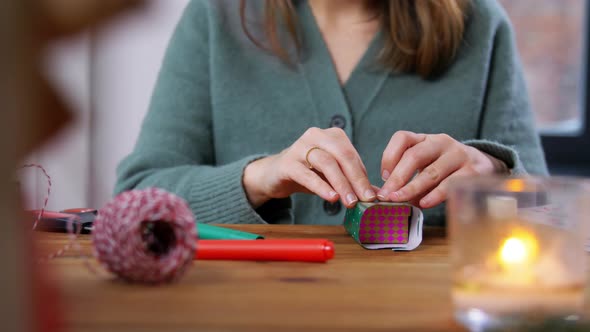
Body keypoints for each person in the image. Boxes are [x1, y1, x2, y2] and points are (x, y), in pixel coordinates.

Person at [115, 0, 547, 226]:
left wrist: (494, 174)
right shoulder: (215, 17)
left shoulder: (480, 24)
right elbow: (133, 201)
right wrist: (259, 179)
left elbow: (552, 220)